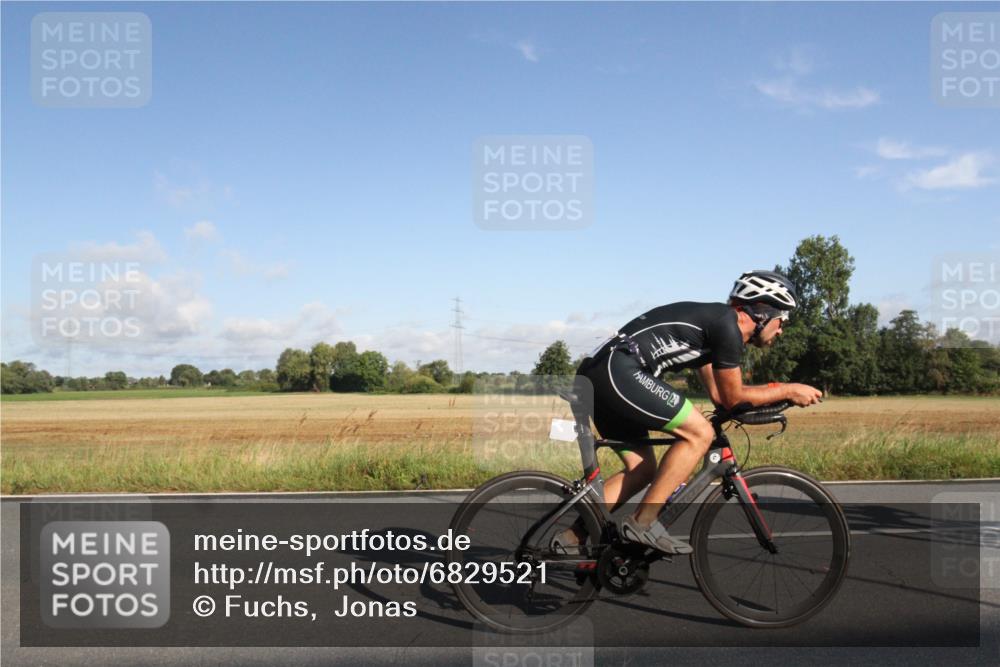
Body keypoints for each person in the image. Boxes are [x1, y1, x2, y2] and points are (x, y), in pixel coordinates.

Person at [560, 270, 823, 554]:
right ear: (763, 313)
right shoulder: (728, 326)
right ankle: (642, 523)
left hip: (603, 372)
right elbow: (734, 397)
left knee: (643, 470)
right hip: (618, 372)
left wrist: (736, 403)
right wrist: (787, 390)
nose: (781, 330)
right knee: (699, 433)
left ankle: (570, 539)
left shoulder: (717, 324)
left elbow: (719, 392)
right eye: (782, 320)